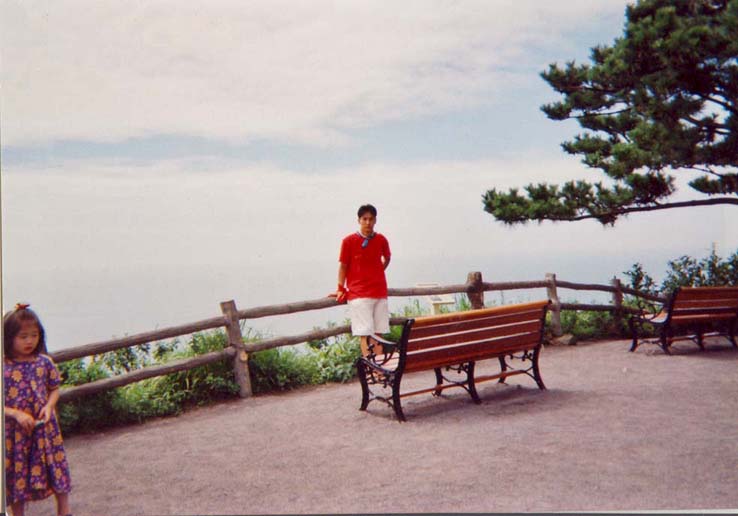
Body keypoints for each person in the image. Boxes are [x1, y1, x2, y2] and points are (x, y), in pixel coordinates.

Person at [4, 304, 72, 516]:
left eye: (34, 335)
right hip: (14, 434)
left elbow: (54, 388)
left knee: (56, 467)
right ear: (8, 337)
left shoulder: (44, 363)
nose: (29, 341)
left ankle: (64, 511)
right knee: (16, 473)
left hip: (45, 429)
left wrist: (49, 406)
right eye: (23, 336)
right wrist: (16, 414)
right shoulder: (4, 367)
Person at [334, 204, 392, 356]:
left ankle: (379, 367)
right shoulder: (348, 241)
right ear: (358, 220)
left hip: (379, 292)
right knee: (365, 334)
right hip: (359, 294)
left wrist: (378, 271)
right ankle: (370, 368)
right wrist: (340, 288)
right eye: (364, 219)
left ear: (375, 220)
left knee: (378, 334)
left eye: (371, 219)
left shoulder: (381, 239)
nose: (368, 222)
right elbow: (343, 266)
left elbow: (387, 257)